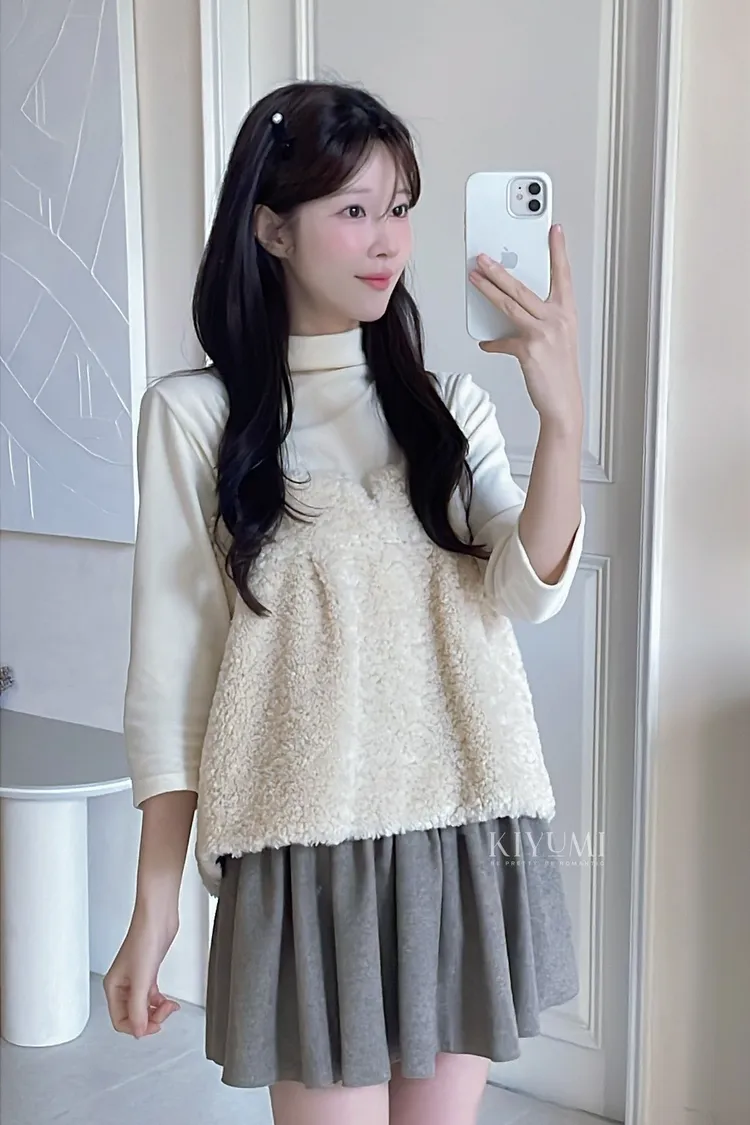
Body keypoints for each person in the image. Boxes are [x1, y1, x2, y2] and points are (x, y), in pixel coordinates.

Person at [104, 80, 585, 1125]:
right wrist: (153, 905)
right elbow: (174, 675)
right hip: (307, 849)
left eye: (400, 208)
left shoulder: (445, 408)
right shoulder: (195, 417)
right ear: (271, 228)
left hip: (462, 826)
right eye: (354, 209)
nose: (387, 240)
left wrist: (562, 420)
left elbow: (526, 587)